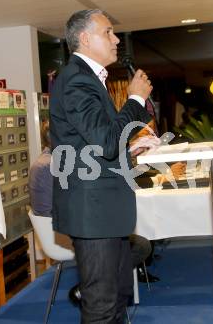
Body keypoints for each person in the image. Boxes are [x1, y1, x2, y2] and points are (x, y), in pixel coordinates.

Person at [49, 9, 155, 323]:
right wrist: (135, 100)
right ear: (84, 38)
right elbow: (106, 141)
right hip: (93, 213)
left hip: (104, 211)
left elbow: (94, 147)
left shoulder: (88, 79)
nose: (116, 38)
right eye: (108, 32)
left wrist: (131, 148)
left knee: (117, 296)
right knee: (102, 305)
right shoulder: (77, 80)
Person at [29, 121, 159, 307]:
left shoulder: (50, 160)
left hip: (63, 227)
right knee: (139, 245)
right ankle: (89, 288)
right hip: (63, 234)